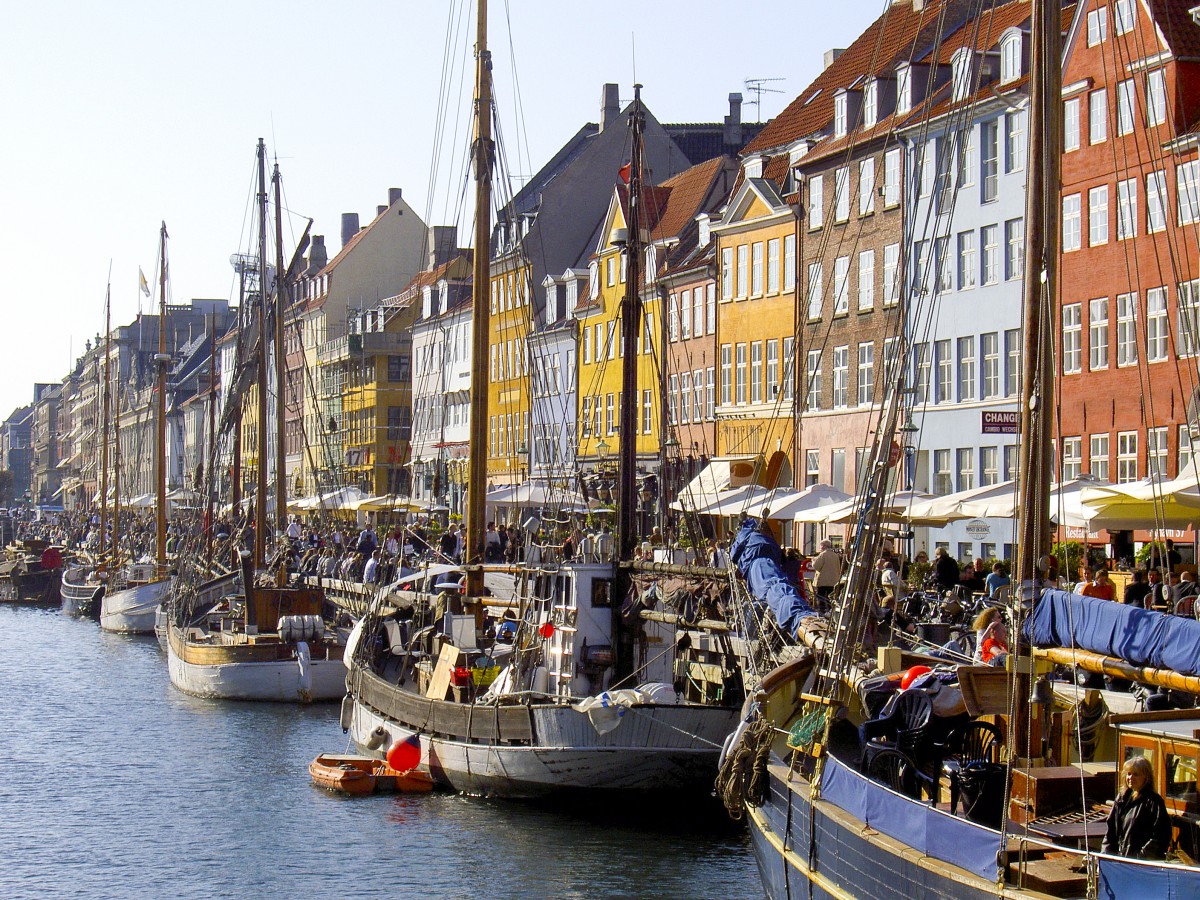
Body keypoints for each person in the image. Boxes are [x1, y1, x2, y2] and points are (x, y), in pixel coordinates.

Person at [1102, 756, 1172, 860]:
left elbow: (1159, 837)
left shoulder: (1154, 802)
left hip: (1140, 865)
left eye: (1136, 774)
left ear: (1146, 777)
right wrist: (1105, 857)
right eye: (1129, 774)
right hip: (1120, 862)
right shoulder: (1121, 799)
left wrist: (1138, 858)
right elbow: (1111, 832)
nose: (1131, 778)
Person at [811, 539, 842, 609]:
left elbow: (816, 566)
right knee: (830, 598)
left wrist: (813, 560)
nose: (820, 548)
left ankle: (822, 611)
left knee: (821, 598)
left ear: (824, 546)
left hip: (823, 581)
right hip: (833, 581)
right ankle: (830, 611)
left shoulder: (823, 555)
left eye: (821, 547)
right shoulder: (835, 555)